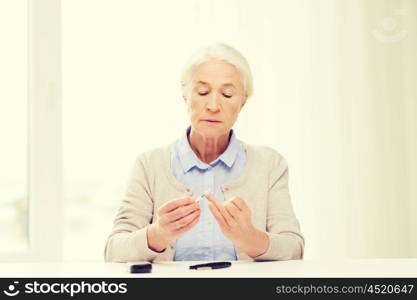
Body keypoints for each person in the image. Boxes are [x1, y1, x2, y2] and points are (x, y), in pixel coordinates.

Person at [104, 43, 304, 262]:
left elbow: (294, 249)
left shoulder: (270, 164)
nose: (213, 105)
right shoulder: (149, 164)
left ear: (242, 103)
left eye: (227, 94)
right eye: (202, 92)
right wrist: (158, 234)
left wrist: (251, 239)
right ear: (185, 96)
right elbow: (114, 251)